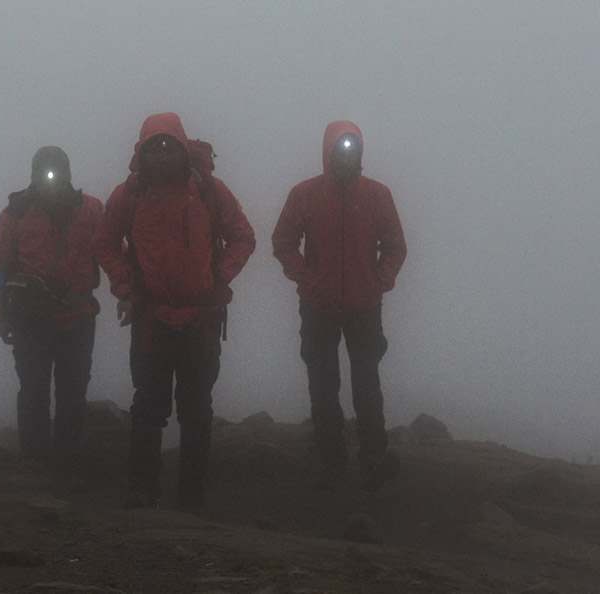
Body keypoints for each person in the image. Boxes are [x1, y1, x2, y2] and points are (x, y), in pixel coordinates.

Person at [93, 113, 255, 509]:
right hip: (152, 317)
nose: (162, 153)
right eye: (154, 147)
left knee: (196, 409)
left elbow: (243, 238)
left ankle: (190, 496)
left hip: (200, 317)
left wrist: (219, 277)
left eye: (169, 146)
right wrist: (125, 285)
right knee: (149, 405)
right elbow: (104, 243)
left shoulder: (209, 191)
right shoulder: (128, 195)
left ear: (183, 148)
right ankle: (144, 490)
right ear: (141, 151)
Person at [272, 121, 407, 491]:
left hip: (363, 306)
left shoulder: (378, 195)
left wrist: (378, 283)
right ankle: (332, 461)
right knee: (323, 385)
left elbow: (395, 246)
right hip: (319, 307)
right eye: (340, 149)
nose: (347, 155)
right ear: (328, 152)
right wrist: (305, 278)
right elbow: (282, 240)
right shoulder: (305, 195)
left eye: (352, 149)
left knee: (366, 383)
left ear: (360, 151)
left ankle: (373, 458)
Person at [0, 146, 103, 481]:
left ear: (68, 172)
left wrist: (129, 290)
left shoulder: (92, 210)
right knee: (33, 390)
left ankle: (67, 466)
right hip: (31, 318)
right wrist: (1, 313)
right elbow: (1, 266)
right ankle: (35, 466)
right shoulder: (14, 213)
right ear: (33, 174)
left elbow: (112, 250)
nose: (51, 177)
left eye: (57, 170)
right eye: (45, 170)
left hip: (78, 313)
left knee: (73, 393)